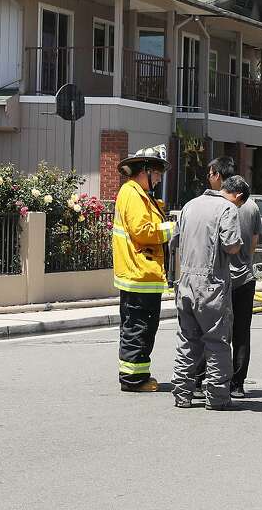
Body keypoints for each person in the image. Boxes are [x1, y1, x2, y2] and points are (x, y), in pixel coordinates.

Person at [172, 182, 243, 410]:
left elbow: (175, 240)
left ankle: (182, 394)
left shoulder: (189, 206)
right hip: (211, 283)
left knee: (187, 339)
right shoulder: (227, 209)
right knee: (217, 341)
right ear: (237, 195)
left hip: (185, 281)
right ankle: (217, 397)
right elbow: (231, 245)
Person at [111, 144, 176, 393]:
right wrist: (172, 229)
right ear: (145, 170)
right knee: (138, 328)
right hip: (138, 275)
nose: (159, 178)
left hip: (141, 274)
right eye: (157, 173)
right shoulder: (132, 194)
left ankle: (136, 375)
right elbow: (143, 231)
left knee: (141, 328)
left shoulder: (139, 194)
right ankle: (133, 380)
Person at [221, 175, 261, 397]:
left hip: (222, 278)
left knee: (214, 330)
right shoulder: (253, 207)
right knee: (242, 333)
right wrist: (245, 259)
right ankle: (237, 384)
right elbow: (254, 242)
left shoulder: (218, 206)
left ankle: (206, 379)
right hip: (245, 277)